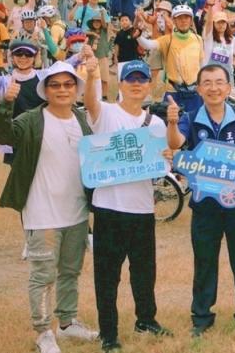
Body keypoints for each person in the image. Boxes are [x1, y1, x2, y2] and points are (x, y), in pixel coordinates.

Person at [0, 62, 99, 353]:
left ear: (75, 88)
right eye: (55, 85)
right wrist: (5, 104)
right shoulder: (31, 120)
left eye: (68, 84)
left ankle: (67, 322)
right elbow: (3, 136)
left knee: (70, 271)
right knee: (42, 276)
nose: (62, 90)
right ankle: (43, 332)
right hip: (42, 214)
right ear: (45, 90)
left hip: (76, 213)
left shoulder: (82, 120)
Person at [166, 63, 235, 337]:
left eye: (219, 82)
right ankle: (201, 316)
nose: (213, 88)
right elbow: (175, 143)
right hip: (205, 205)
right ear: (199, 89)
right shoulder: (190, 117)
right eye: (207, 83)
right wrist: (173, 122)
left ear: (228, 87)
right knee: (205, 259)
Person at [82, 58, 173, 351]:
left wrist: (167, 156)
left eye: (142, 79)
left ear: (149, 84)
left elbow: (161, 160)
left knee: (145, 271)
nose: (136, 84)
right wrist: (93, 76)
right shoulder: (106, 113)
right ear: (120, 84)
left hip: (142, 209)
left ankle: (146, 319)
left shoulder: (155, 123)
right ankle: (109, 333)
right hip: (109, 209)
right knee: (107, 276)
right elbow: (91, 103)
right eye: (130, 79)